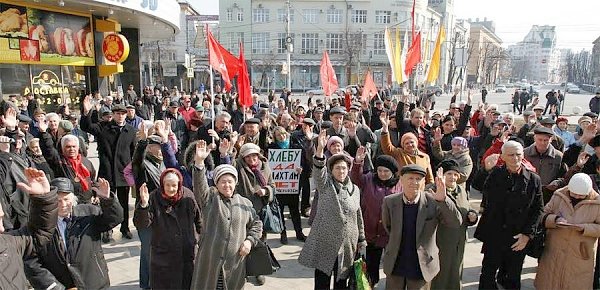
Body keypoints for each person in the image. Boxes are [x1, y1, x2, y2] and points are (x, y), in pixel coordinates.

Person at [298, 129, 366, 289]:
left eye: (343, 168)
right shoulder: (325, 186)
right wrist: (320, 150)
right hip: (325, 242)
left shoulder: (355, 189)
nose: (341, 171)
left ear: (348, 169)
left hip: (348, 244)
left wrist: (362, 239)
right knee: (322, 281)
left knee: (341, 282)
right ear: (331, 170)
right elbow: (318, 171)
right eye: (337, 168)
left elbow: (358, 215)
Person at [190, 141, 263, 289]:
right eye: (223, 182)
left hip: (234, 265)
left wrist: (249, 241)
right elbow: (199, 186)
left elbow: (257, 224)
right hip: (209, 262)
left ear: (235, 183)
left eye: (230, 181)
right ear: (216, 183)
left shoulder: (245, 203)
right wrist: (199, 162)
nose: (227, 185)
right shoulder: (210, 198)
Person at [31, 177, 123, 289]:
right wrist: (53, 287)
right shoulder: (41, 223)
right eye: (58, 201)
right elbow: (32, 261)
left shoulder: (88, 212)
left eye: (66, 200)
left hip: (94, 283)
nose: (63, 204)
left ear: (74, 200)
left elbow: (115, 219)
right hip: (61, 284)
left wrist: (107, 200)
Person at [475, 141, 544, 289]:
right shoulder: (495, 174)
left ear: (523, 155)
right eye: (510, 155)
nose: (515, 158)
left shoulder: (533, 179)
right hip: (494, 233)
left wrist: (527, 235)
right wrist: (485, 169)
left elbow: (538, 209)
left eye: (518, 154)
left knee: (513, 276)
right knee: (488, 274)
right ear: (503, 157)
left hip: (518, 236)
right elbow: (477, 185)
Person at [381, 164, 462, 289]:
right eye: (410, 178)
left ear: (424, 182)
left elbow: (455, 222)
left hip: (422, 264)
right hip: (396, 262)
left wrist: (443, 200)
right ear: (401, 180)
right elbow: (388, 227)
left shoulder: (433, 201)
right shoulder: (390, 201)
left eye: (418, 179)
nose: (414, 182)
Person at [134, 168, 201, 289]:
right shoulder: (154, 197)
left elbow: (199, 220)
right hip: (163, 256)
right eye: (167, 185)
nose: (171, 189)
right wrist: (144, 204)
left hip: (186, 254)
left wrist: (199, 240)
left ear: (179, 184)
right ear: (162, 184)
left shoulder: (188, 196)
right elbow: (142, 224)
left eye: (174, 185)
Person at [80, 96, 136, 241]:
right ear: (113, 114)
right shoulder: (104, 127)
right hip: (108, 172)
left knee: (123, 202)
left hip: (123, 172)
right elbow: (86, 127)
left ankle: (125, 228)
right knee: (106, 201)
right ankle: (107, 230)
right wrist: (86, 112)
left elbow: (133, 152)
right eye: (117, 113)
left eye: (123, 113)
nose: (120, 116)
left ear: (126, 114)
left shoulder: (131, 130)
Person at [534, 173, 600, 290]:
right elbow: (542, 214)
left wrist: (584, 228)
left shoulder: (597, 203)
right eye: (574, 194)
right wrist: (554, 220)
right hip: (554, 249)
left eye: (581, 196)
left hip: (581, 252)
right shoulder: (559, 195)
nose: (576, 197)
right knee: (549, 281)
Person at [351, 147, 401, 287]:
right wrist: (358, 162)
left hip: (390, 232)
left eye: (386, 171)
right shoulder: (368, 179)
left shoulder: (399, 185)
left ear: (393, 172)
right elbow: (355, 178)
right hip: (370, 230)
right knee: (371, 265)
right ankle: (371, 284)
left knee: (393, 265)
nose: (382, 174)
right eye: (379, 170)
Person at [0, 168, 58, 290]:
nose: (1, 228)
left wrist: (42, 199)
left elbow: (38, 234)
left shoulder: (8, 242)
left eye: (1, 219)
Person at [428, 160, 478, 290]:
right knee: (440, 273)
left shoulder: (461, 190)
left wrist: (472, 216)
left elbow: (467, 209)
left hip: (459, 240)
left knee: (456, 270)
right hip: (441, 240)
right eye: (449, 173)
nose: (453, 177)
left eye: (455, 174)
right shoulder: (432, 191)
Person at [234, 142, 275, 285]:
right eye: (248, 156)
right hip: (242, 209)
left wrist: (266, 191)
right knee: (242, 242)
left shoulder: (265, 167)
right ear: (243, 157)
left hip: (260, 210)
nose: (252, 159)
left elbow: (272, 185)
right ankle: (242, 271)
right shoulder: (238, 166)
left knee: (259, 242)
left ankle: (258, 271)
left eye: (254, 155)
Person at [267, 126, 307, 244]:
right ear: (275, 137)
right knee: (279, 211)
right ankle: (282, 233)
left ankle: (299, 233)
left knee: (295, 211)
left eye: (283, 133)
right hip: (279, 187)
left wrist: (301, 168)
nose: (282, 136)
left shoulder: (296, 147)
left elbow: (304, 162)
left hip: (292, 186)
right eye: (279, 135)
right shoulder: (271, 148)